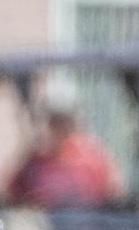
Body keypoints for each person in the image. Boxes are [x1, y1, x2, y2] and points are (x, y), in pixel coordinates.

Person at [7, 81, 124, 211]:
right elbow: (12, 196)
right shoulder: (35, 161)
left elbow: (114, 193)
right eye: (55, 121)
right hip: (48, 226)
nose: (61, 127)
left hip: (89, 224)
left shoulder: (93, 155)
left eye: (65, 121)